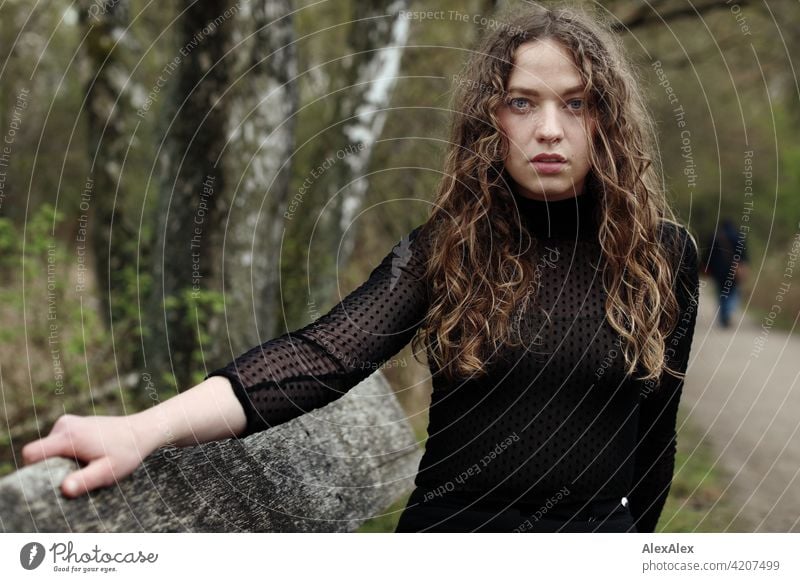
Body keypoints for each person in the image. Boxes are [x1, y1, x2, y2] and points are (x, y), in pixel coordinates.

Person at [21, 3, 700, 534]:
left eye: (576, 102)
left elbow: (654, 445)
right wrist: (139, 429)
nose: (549, 128)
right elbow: (319, 356)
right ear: (491, 118)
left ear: (607, 119)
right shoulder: (447, 249)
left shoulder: (662, 257)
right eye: (523, 101)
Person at [703, 218, 748, 328]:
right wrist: (744, 267)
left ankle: (723, 315)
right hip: (734, 270)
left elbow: (708, 255)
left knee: (721, 292)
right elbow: (745, 256)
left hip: (718, 271)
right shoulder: (739, 237)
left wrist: (705, 267)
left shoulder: (714, 237)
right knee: (732, 292)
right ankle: (727, 312)